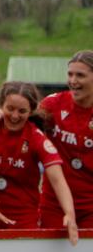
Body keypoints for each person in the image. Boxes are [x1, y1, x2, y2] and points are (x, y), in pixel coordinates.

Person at [0, 82, 77, 244]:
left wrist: (69, 213)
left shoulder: (35, 137)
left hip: (22, 220)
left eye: (22, 111)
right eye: (10, 109)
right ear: (1, 105)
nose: (15, 116)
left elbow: (57, 178)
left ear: (30, 112)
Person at [38, 50, 93, 231]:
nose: (73, 81)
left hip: (90, 206)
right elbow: (18, 118)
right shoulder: (53, 105)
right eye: (70, 74)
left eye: (80, 75)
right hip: (54, 204)